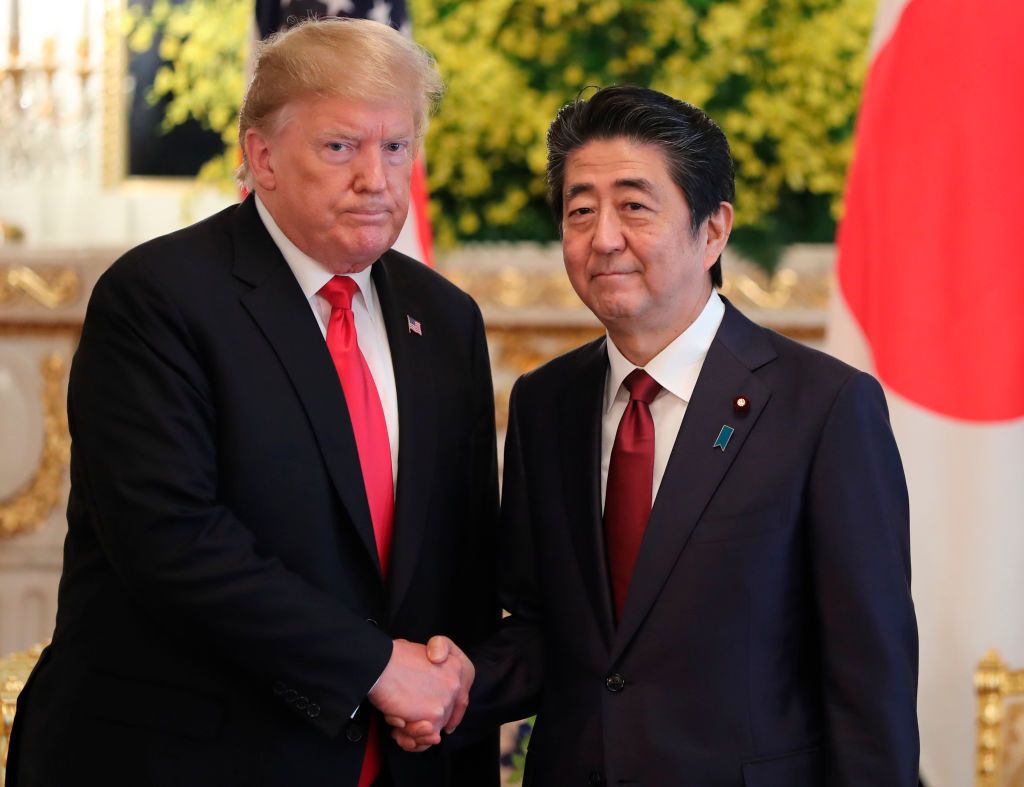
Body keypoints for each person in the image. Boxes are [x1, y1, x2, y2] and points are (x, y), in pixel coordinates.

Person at [6, 18, 498, 787]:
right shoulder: (159, 298)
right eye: (340, 147)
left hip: (395, 760)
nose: (376, 176)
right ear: (261, 156)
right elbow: (173, 542)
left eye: (396, 146)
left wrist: (447, 680)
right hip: (186, 757)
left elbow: (460, 559)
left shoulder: (445, 318)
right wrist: (375, 666)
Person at [396, 85, 920, 785]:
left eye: (635, 207)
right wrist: (456, 681)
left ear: (713, 230)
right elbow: (541, 627)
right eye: (580, 210)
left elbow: (869, 678)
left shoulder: (824, 407)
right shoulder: (544, 403)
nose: (603, 237)